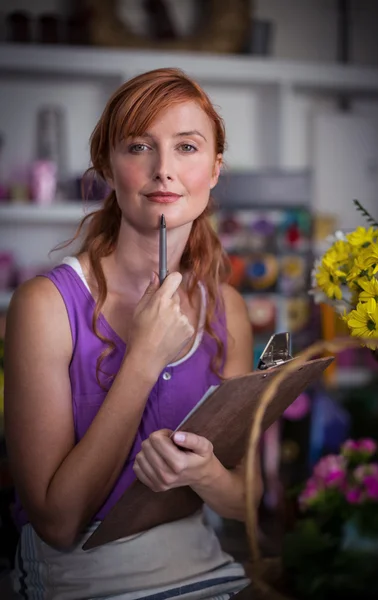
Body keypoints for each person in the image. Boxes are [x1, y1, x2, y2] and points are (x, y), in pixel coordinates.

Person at [4, 67, 263, 599]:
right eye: (139, 146)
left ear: (215, 170)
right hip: (77, 577)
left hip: (203, 565)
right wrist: (143, 357)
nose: (164, 170)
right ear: (107, 167)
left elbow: (248, 500)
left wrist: (205, 474)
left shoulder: (227, 309)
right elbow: (56, 523)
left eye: (187, 147)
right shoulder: (44, 307)